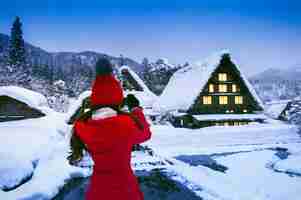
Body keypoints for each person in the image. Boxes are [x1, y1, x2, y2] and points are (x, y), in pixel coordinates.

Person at [68, 58, 151, 200]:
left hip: (98, 190)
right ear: (118, 99)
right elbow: (145, 134)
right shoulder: (126, 124)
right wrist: (136, 110)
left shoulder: (82, 126)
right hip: (126, 189)